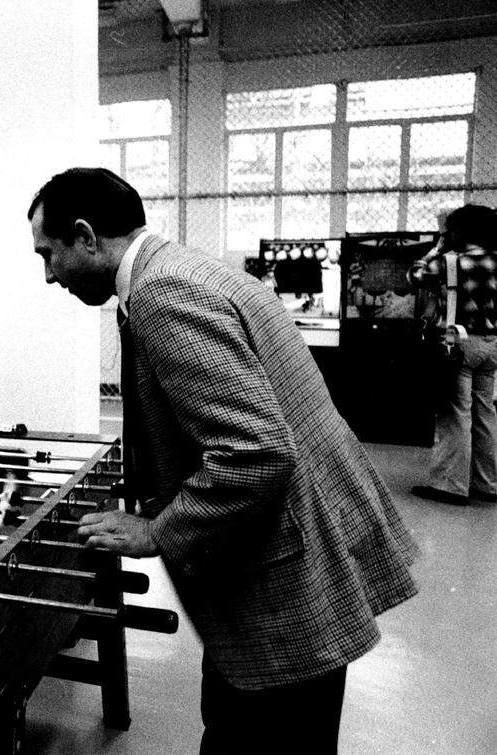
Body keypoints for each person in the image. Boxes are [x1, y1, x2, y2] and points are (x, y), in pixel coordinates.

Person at [27, 167, 418, 753]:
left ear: (85, 236)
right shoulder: (191, 268)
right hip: (302, 546)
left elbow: (256, 451)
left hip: (281, 579)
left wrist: (157, 530)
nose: (48, 275)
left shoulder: (163, 294)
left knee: (261, 738)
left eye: (48, 254)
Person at [409, 203, 497, 506]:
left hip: (457, 345)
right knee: (485, 412)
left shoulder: (448, 262)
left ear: (460, 231)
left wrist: (436, 248)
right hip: (492, 345)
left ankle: (450, 485)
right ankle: (487, 484)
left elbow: (413, 276)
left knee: (455, 414)